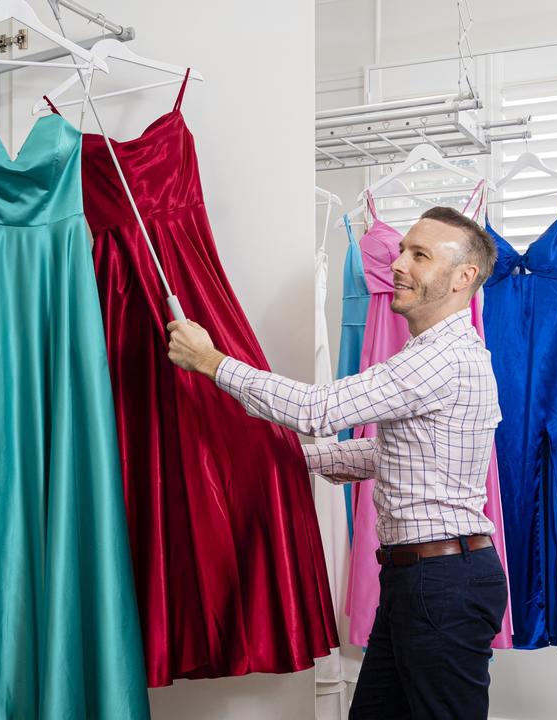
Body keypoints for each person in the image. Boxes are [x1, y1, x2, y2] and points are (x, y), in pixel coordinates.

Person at [166, 206, 508, 719]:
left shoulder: (441, 357)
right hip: (422, 579)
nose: (398, 265)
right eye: (401, 251)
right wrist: (284, 457)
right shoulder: (441, 353)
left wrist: (210, 362)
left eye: (420, 255)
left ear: (464, 278)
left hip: (441, 581)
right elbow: (389, 455)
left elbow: (317, 410)